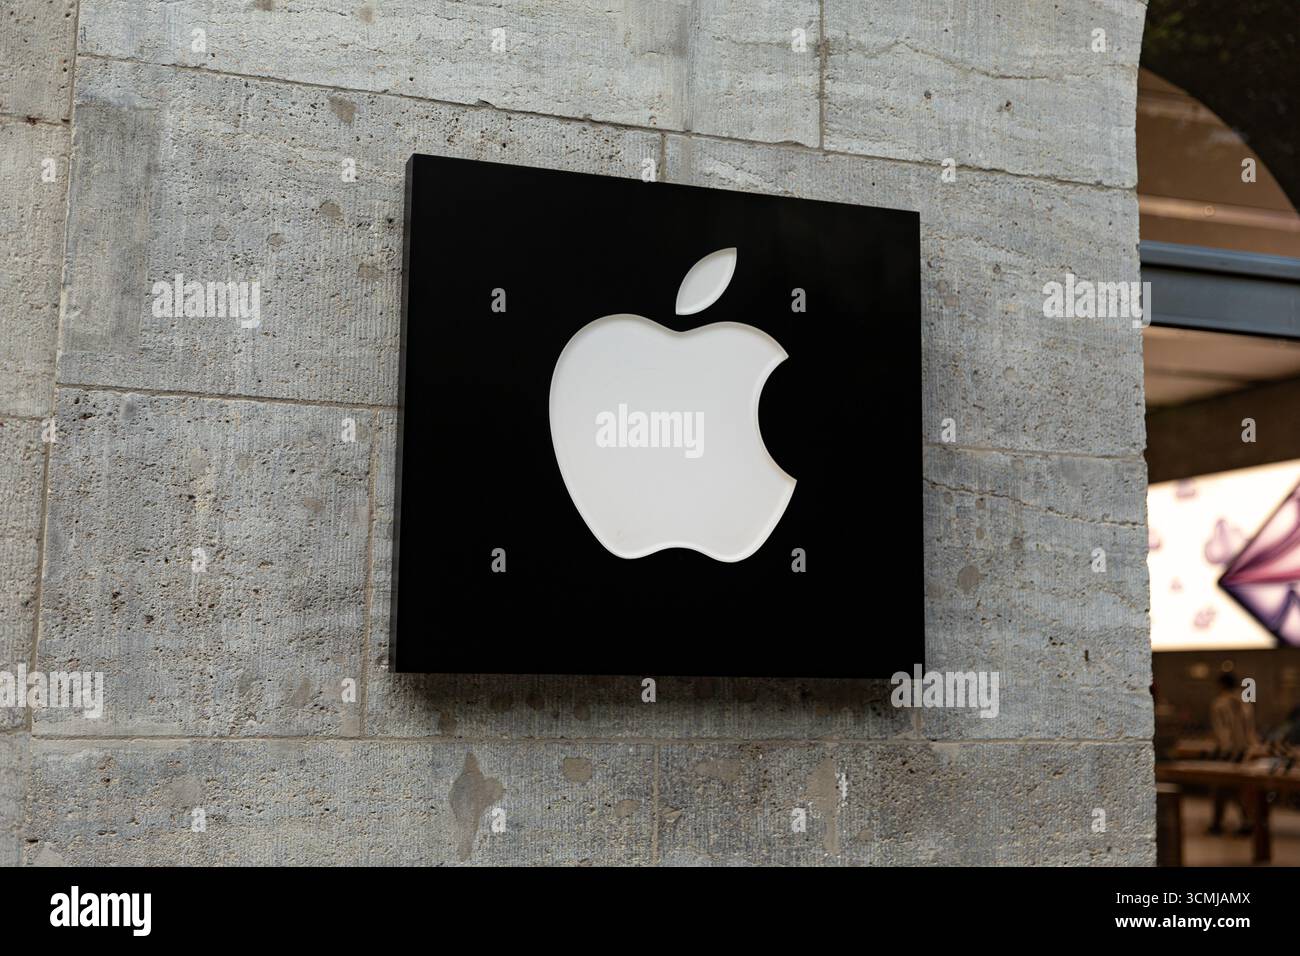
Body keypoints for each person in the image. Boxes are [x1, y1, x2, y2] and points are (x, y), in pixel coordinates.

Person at [1208, 671, 1260, 835]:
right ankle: (1247, 822)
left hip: (1229, 753)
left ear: (1221, 685)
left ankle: (1217, 823)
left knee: (1220, 788)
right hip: (1246, 752)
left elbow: (1221, 731)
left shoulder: (1219, 704)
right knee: (1243, 789)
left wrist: (1223, 751)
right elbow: (1250, 730)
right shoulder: (1246, 702)